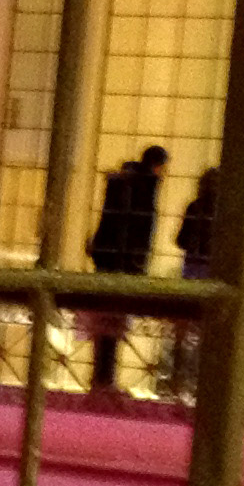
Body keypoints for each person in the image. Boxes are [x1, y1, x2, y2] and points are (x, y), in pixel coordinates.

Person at [85, 146, 170, 392]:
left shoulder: (120, 182)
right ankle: (105, 379)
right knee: (114, 322)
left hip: (106, 258)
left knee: (104, 321)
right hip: (125, 264)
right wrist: (139, 262)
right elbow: (141, 229)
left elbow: (108, 219)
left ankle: (101, 377)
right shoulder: (146, 187)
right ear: (157, 165)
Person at [168, 168, 222, 398]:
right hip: (213, 271)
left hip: (191, 270)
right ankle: (204, 382)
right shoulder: (225, 211)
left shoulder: (194, 207)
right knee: (208, 330)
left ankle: (178, 380)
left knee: (183, 328)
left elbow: (181, 240)